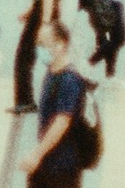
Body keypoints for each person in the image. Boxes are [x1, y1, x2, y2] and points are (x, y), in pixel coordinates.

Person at [18, 20, 87, 187]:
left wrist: (36, 155)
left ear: (60, 45)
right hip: (47, 163)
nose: (39, 49)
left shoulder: (69, 80)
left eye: (43, 44)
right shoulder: (52, 71)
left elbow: (61, 122)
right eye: (38, 43)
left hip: (62, 168)